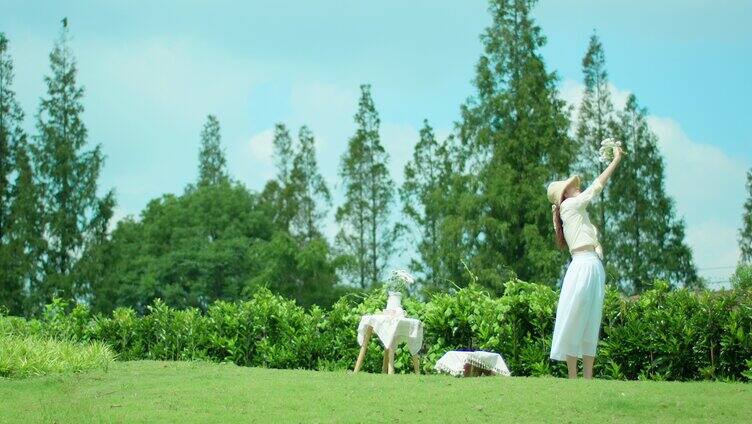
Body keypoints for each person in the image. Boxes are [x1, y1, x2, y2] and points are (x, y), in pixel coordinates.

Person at [546, 144, 623, 379]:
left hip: (592, 265)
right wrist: (615, 161)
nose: (576, 188)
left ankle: (587, 377)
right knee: (575, 316)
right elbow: (596, 187)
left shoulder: (580, 215)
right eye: (572, 187)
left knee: (591, 318)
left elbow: (593, 239)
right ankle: (573, 376)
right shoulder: (569, 207)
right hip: (582, 265)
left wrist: (597, 248)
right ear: (564, 196)